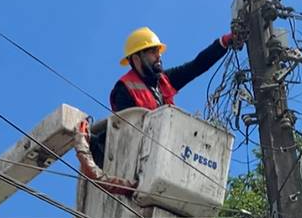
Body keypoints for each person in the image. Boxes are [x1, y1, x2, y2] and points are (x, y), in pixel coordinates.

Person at [89, 26, 237, 168]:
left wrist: (224, 42)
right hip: (138, 159)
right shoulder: (124, 89)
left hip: (160, 154)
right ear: (136, 58)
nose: (159, 55)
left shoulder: (163, 81)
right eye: (153, 51)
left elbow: (196, 66)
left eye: (158, 51)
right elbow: (126, 133)